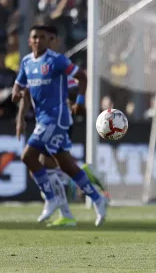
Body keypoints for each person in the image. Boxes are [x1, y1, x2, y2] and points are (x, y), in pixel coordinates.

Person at [11, 25, 108, 226]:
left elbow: (80, 78)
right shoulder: (27, 62)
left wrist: (79, 102)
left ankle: (52, 199)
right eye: (34, 37)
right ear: (29, 41)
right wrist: (18, 108)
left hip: (57, 119)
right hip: (42, 119)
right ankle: (97, 199)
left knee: (29, 157)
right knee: (63, 164)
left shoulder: (57, 61)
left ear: (50, 40)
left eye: (42, 37)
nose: (38, 40)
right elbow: (21, 87)